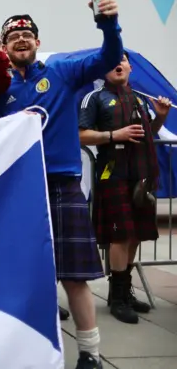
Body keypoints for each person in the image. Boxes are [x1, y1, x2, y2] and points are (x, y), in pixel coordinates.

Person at [0, 0, 124, 369]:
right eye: (13, 37)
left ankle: (91, 354)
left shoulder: (63, 71)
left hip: (62, 185)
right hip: (21, 191)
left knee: (75, 277)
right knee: (24, 276)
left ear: (37, 42)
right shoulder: (0, 89)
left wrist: (108, 23)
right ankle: (25, 351)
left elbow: (109, 58)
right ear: (6, 46)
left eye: (27, 34)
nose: (21, 40)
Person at [78, 51, 171, 324]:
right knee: (120, 236)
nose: (118, 64)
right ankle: (116, 297)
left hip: (141, 176)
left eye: (122, 59)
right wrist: (113, 135)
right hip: (113, 174)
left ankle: (125, 291)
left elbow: (147, 134)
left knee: (135, 235)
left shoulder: (141, 99)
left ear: (130, 66)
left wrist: (161, 117)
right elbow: (81, 133)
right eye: (111, 60)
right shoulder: (93, 98)